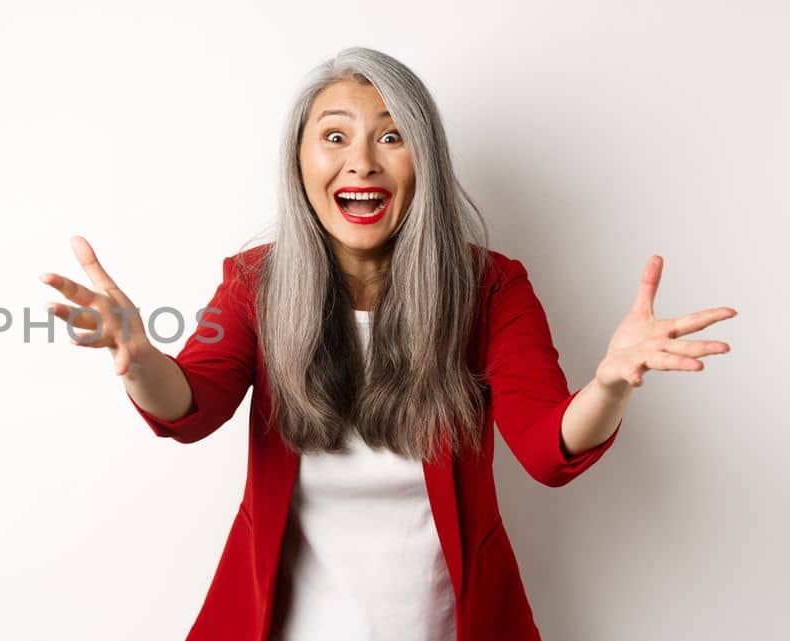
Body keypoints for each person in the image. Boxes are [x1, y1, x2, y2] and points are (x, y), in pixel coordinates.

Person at [37, 47, 737, 641]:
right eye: (335, 136)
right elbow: (193, 402)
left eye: (392, 135)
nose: (362, 163)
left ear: (423, 159)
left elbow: (547, 445)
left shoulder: (490, 286)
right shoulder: (256, 281)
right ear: (301, 159)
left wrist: (610, 387)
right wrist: (140, 361)